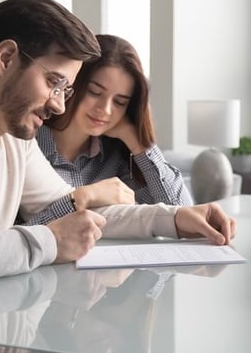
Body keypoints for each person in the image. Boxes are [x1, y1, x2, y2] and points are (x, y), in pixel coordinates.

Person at [0, 0, 235, 294]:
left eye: (65, 90)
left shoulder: (12, 139)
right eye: (53, 82)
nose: (59, 105)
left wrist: (173, 219)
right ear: (5, 58)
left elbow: (75, 216)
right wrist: (48, 242)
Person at [23, 35, 192, 226]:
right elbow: (19, 235)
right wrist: (85, 197)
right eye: (95, 92)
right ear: (72, 85)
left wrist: (138, 142)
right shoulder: (26, 142)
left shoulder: (117, 158)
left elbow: (182, 212)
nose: (105, 109)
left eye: (120, 102)